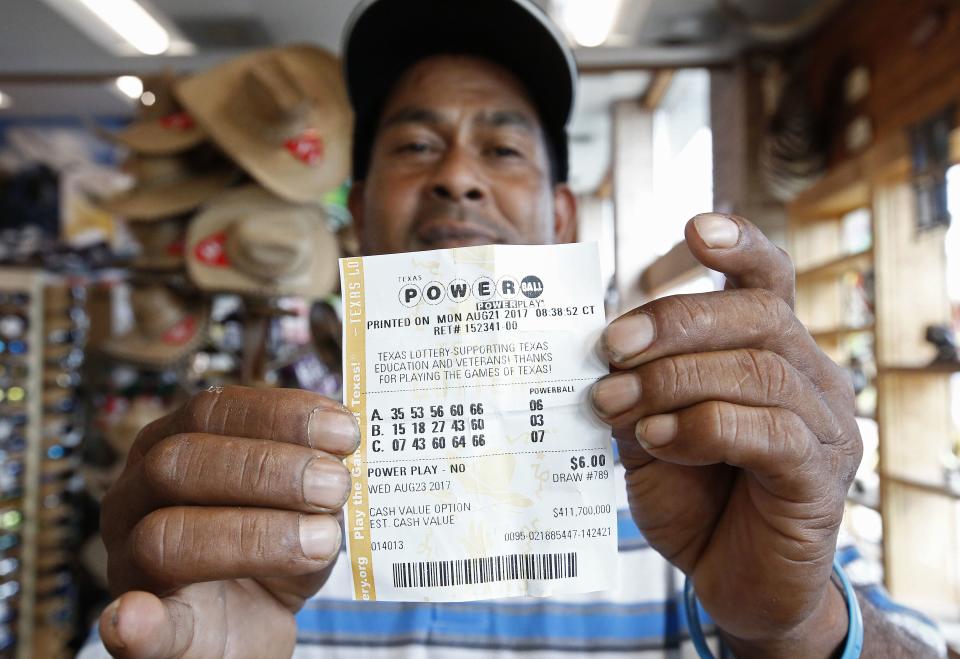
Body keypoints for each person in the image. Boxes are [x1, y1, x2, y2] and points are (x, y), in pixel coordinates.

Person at [87, 0, 945, 657]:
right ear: (352, 222)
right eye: (415, 146)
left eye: (502, 151)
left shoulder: (709, 480)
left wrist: (799, 626)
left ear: (563, 217)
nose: (457, 176)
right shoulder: (251, 505)